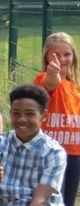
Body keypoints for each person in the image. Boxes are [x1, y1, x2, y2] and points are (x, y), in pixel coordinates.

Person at [0, 84, 66, 205]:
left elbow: (39, 200)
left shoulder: (54, 152)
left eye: (30, 114)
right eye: (16, 113)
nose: (22, 119)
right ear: (10, 113)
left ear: (44, 116)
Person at [33, 32, 80, 206]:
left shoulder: (75, 85)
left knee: (68, 201)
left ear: (74, 56)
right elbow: (50, 84)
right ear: (46, 57)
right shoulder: (43, 79)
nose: (61, 59)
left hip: (74, 153)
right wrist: (53, 75)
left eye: (66, 54)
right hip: (49, 153)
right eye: (56, 55)